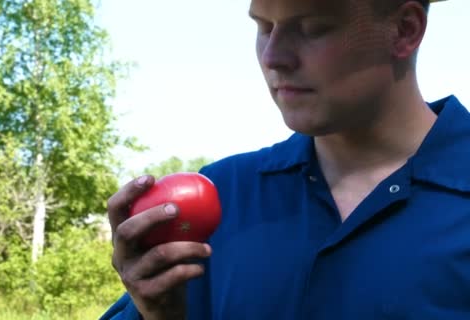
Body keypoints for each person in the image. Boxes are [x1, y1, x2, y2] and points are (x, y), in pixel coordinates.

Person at [101, 0, 470, 318]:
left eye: (312, 28)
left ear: (404, 30)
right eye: (264, 27)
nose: (273, 57)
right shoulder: (221, 197)